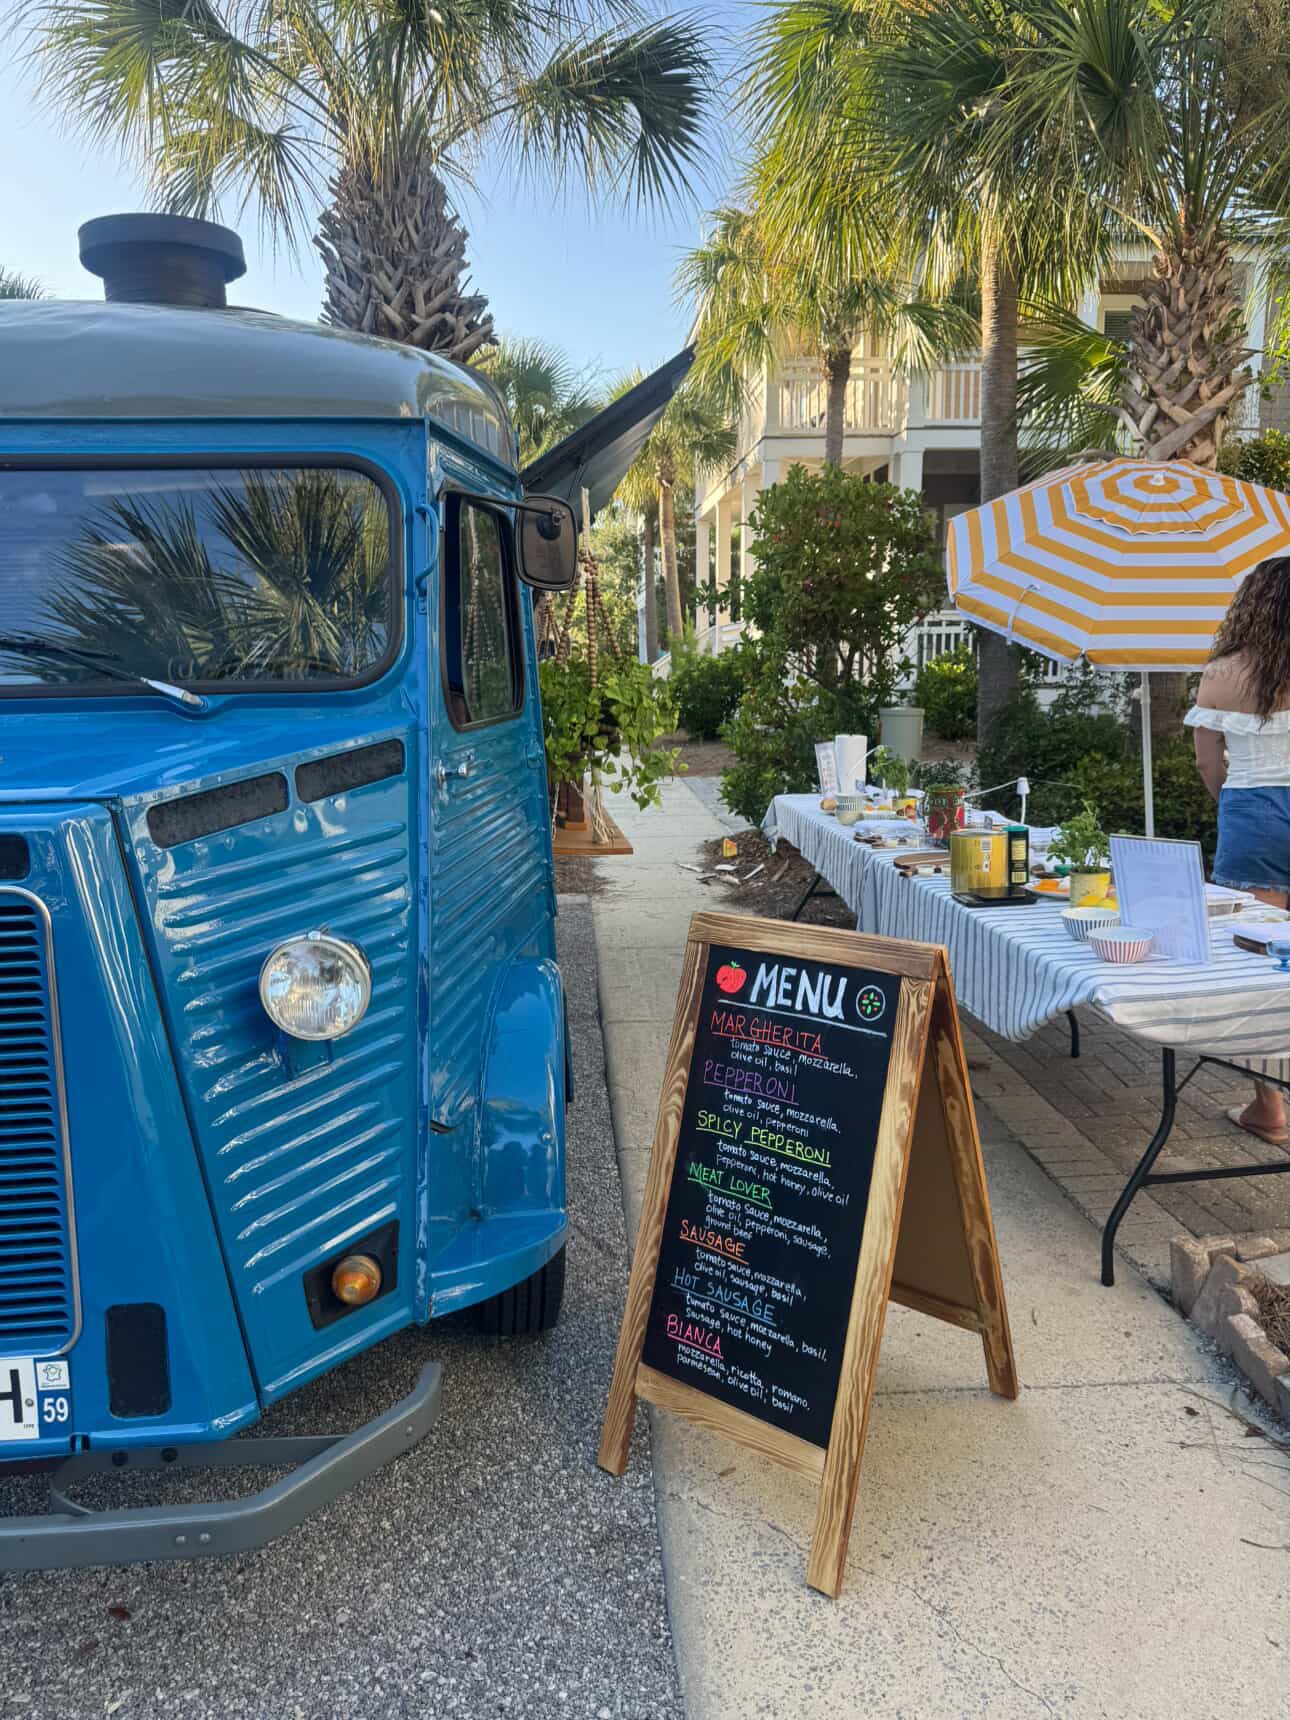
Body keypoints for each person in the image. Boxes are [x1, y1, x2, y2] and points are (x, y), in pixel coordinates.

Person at [1186, 554, 1290, 1145]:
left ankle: (1269, 1108)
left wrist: (1233, 802)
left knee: (1260, 957)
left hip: (1252, 810)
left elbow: (1208, 763)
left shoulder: (1223, 671)